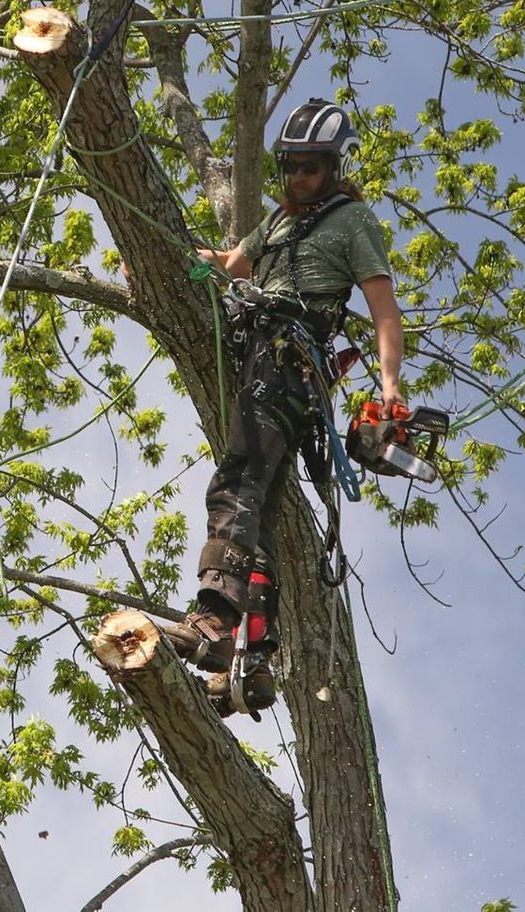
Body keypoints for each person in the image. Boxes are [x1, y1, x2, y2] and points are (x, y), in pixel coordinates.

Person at [177, 98, 406, 716]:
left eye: (310, 167)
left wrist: (389, 387)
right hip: (262, 354)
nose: (298, 178)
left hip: (288, 361)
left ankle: (215, 616)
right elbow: (232, 264)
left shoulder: (351, 221)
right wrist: (177, 259)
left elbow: (383, 308)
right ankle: (253, 654)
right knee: (262, 505)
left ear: (333, 167)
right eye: (291, 167)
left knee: (238, 479)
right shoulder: (276, 224)